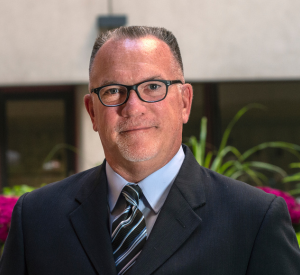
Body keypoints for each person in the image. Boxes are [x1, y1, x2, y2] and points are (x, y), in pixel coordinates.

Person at [1, 26, 300, 275]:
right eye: (113, 90)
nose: (133, 107)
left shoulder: (254, 219)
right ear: (93, 112)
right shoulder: (36, 217)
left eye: (153, 87)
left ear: (184, 102)